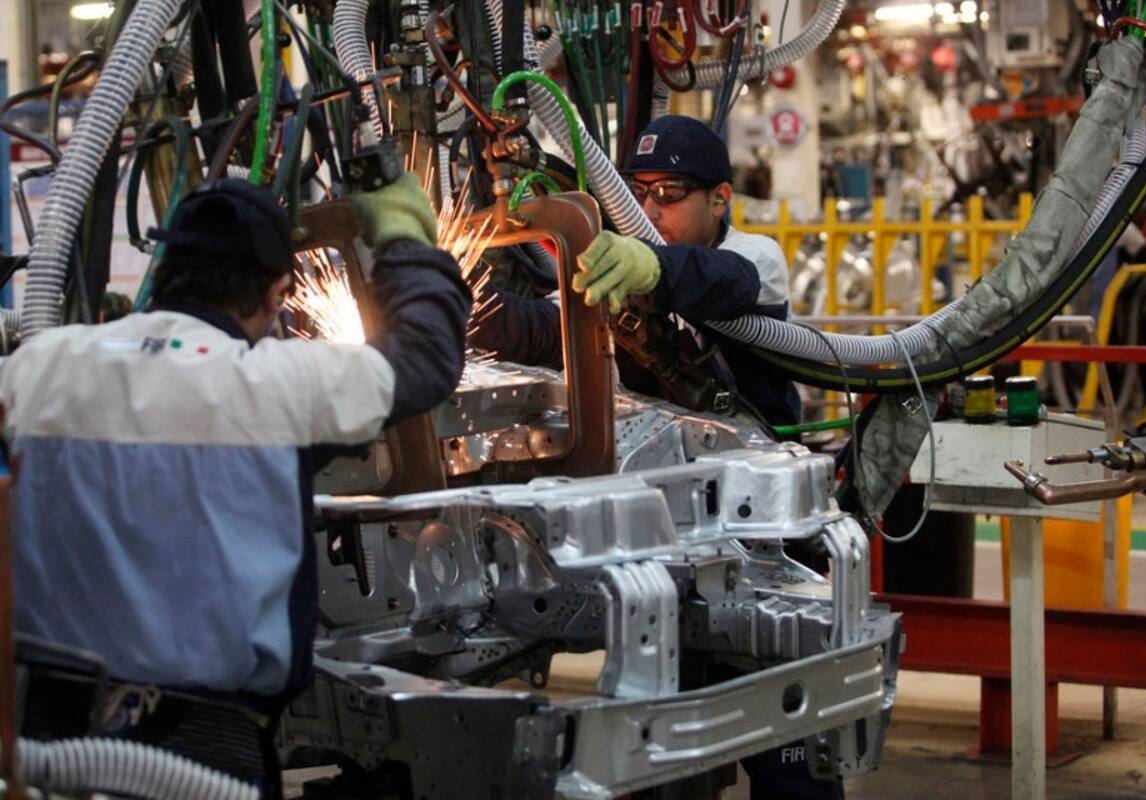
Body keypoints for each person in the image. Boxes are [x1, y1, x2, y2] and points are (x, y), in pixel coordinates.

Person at [0, 174, 469, 705]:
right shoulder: (274, 384)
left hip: (43, 725)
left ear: (164, 270)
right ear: (274, 295)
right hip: (205, 734)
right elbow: (425, 357)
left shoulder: (39, 365)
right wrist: (404, 240)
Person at [473, 115, 801, 427]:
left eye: (669, 192)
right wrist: (463, 296)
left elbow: (721, 278)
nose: (648, 210)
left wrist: (654, 267)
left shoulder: (757, 256)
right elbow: (539, 329)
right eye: (639, 193)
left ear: (719, 199)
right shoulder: (624, 265)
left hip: (759, 448)